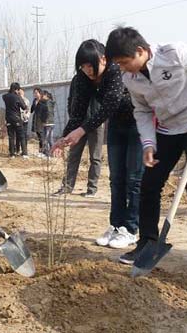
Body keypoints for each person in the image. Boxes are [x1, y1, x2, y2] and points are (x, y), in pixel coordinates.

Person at [105, 26, 187, 274]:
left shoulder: (173, 54)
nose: (123, 68)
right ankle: (147, 243)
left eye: (124, 62)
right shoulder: (130, 79)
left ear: (140, 51)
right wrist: (148, 143)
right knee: (149, 185)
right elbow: (142, 111)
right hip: (167, 131)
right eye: (119, 64)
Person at [51, 39, 142, 249]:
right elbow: (78, 113)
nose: (87, 70)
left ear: (102, 59)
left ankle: (130, 229)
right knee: (116, 178)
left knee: (134, 179)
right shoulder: (82, 79)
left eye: (90, 65)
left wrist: (81, 131)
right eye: (83, 66)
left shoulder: (115, 70)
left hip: (139, 123)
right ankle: (115, 225)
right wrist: (64, 139)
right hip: (117, 126)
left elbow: (109, 105)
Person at [53, 78, 104, 197]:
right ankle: (67, 187)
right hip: (78, 124)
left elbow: (106, 101)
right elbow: (71, 99)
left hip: (96, 123)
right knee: (73, 155)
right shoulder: (76, 79)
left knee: (95, 157)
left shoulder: (101, 78)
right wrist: (73, 115)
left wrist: (100, 118)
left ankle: (92, 189)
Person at [2, 82, 28, 158]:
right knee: (21, 136)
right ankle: (24, 153)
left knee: (11, 137)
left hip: (8, 119)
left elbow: (4, 95)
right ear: (16, 89)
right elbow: (24, 107)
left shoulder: (5, 96)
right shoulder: (17, 97)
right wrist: (20, 96)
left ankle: (12, 154)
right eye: (18, 90)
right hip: (16, 118)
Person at [40, 90, 56, 157]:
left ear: (46, 95)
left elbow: (48, 112)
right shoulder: (49, 102)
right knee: (50, 139)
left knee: (46, 139)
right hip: (50, 123)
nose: (41, 96)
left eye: (42, 95)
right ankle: (52, 153)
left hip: (48, 123)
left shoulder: (48, 103)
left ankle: (48, 154)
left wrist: (45, 121)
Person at [31, 88, 45, 155]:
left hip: (41, 119)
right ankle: (40, 151)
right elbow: (32, 110)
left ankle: (43, 151)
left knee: (42, 135)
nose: (35, 94)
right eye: (34, 93)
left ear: (40, 93)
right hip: (36, 119)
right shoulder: (34, 100)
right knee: (39, 135)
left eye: (36, 93)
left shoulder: (43, 100)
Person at [16, 88, 31, 155]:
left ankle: (24, 150)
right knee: (18, 136)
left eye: (21, 92)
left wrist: (27, 116)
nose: (20, 94)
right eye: (19, 93)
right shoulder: (16, 100)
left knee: (24, 135)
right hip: (18, 120)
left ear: (23, 93)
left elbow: (29, 110)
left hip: (25, 120)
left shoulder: (27, 100)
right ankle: (17, 149)